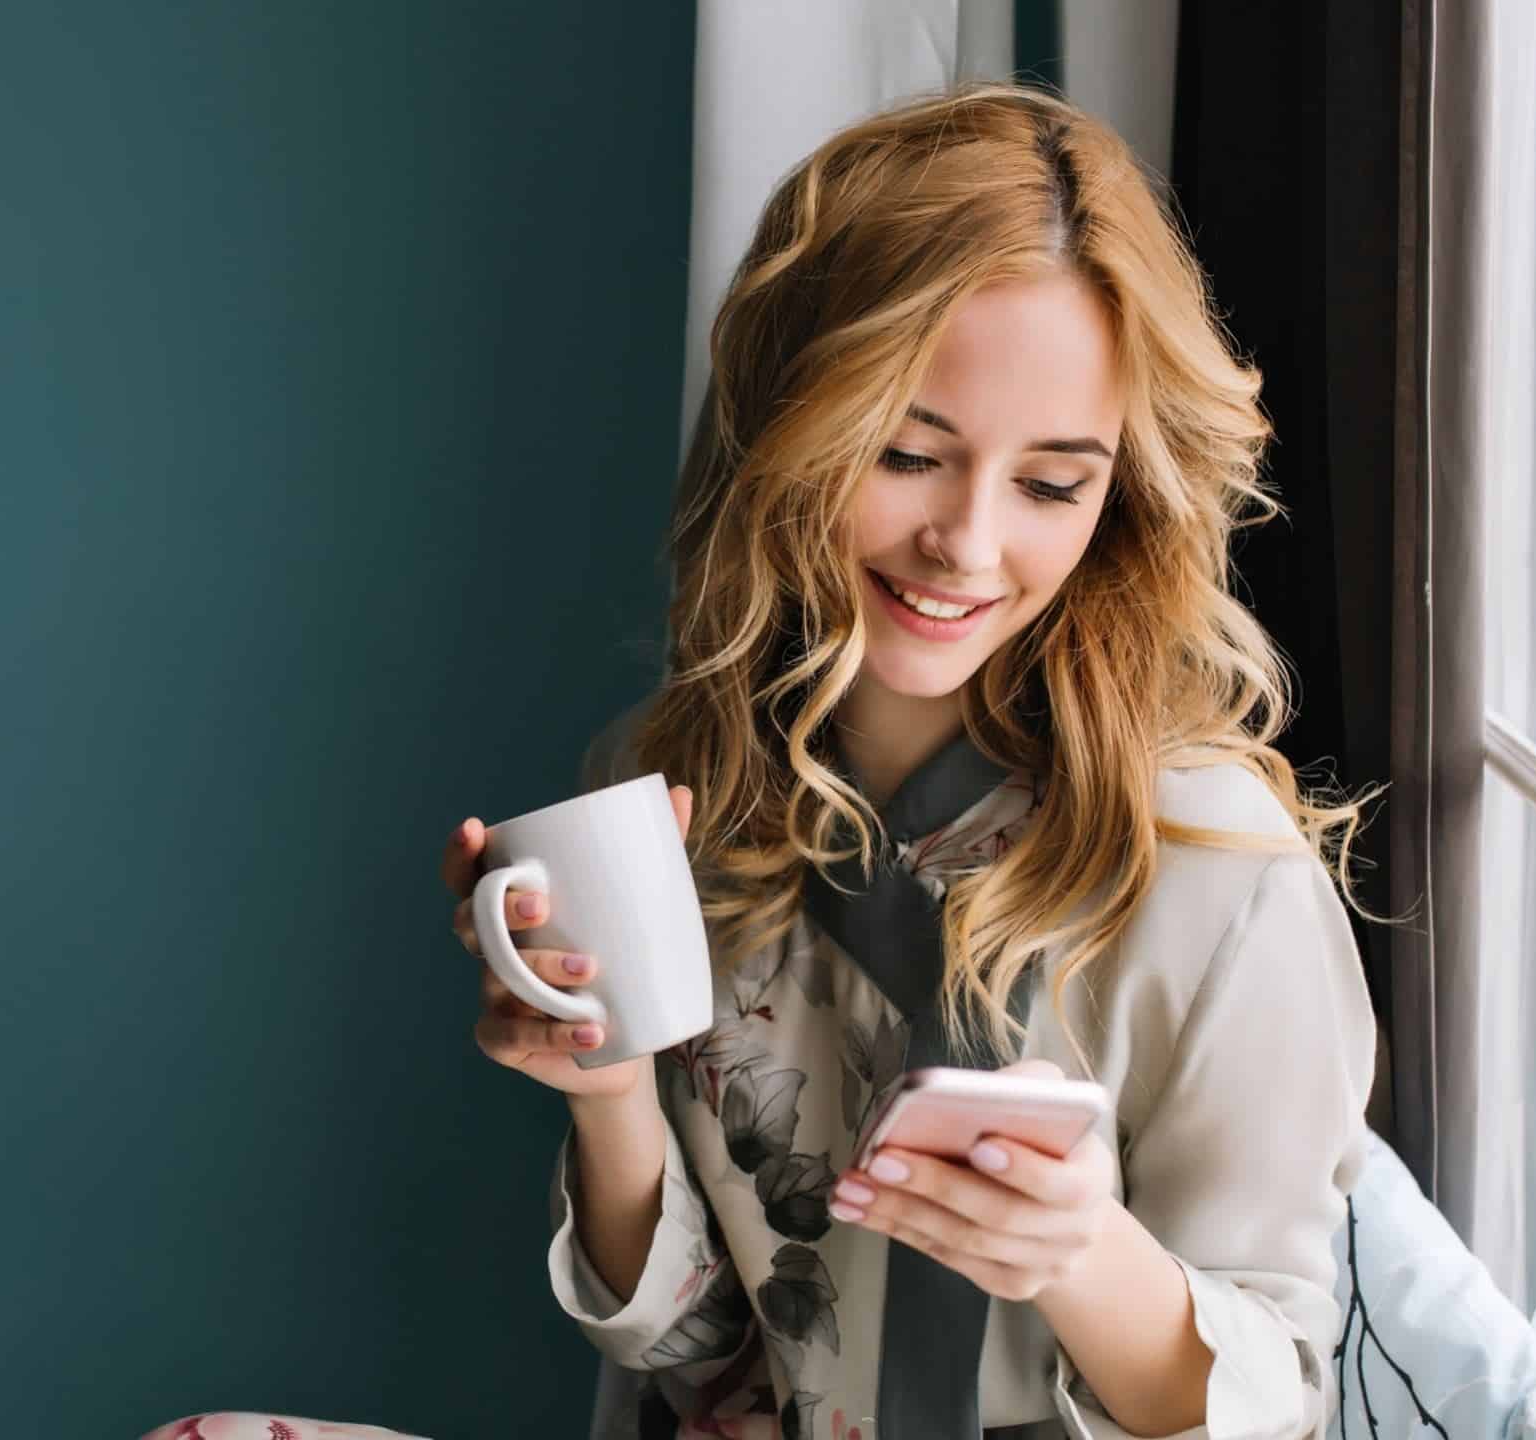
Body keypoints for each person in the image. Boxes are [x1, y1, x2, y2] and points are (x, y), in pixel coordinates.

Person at [440, 80, 1377, 1440]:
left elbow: (1281, 1401)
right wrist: (607, 1095)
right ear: (789, 424)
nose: (970, 544)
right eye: (907, 452)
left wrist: (1080, 1253)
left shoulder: (1211, 868)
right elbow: (709, 1360)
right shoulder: (666, 796)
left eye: (1055, 482)